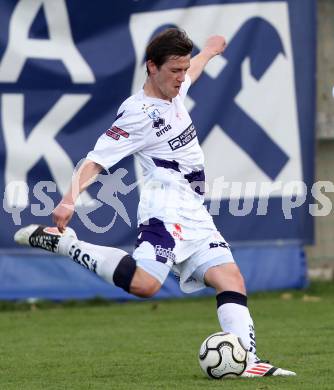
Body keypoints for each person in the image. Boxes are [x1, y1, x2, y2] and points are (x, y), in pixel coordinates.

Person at [15, 28, 295, 378]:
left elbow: (193, 72)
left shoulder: (175, 91)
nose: (181, 77)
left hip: (193, 211)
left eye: (182, 69)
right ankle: (68, 245)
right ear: (152, 67)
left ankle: (248, 363)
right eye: (174, 70)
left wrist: (208, 51)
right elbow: (95, 159)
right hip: (164, 207)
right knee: (146, 285)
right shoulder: (137, 113)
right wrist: (69, 199)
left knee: (231, 279)